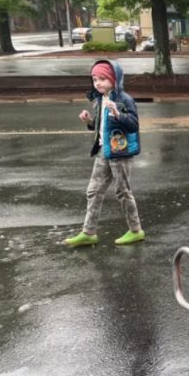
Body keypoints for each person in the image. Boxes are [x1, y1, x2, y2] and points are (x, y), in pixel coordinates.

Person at [64, 60, 145, 247]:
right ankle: (89, 232)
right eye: (94, 79)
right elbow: (101, 126)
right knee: (93, 190)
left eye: (102, 79)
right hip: (103, 151)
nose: (98, 83)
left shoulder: (124, 99)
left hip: (120, 153)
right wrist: (88, 121)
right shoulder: (100, 99)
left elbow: (133, 126)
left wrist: (118, 113)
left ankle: (136, 230)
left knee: (123, 192)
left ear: (114, 79)